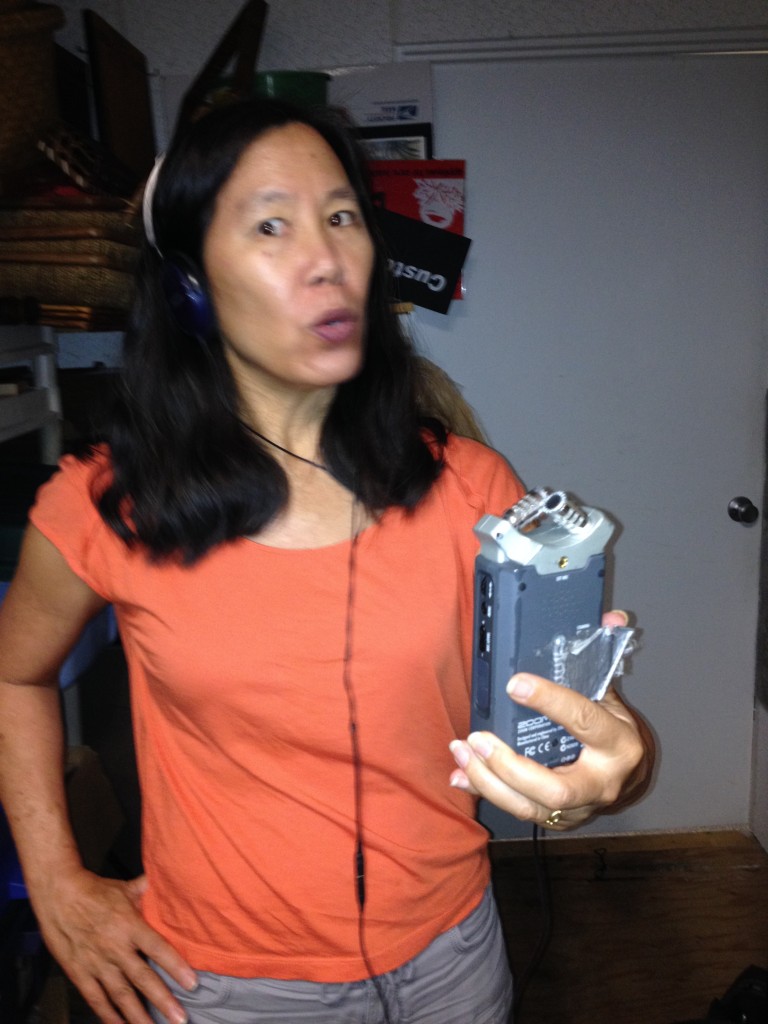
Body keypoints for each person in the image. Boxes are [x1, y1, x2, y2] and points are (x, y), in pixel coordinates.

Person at [0, 98, 653, 1024]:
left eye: (342, 216)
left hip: (455, 963)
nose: (327, 258)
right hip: (224, 990)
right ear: (190, 284)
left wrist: (599, 775)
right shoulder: (106, 505)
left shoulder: (473, 488)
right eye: (271, 224)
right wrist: (57, 881)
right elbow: (12, 675)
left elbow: (573, 715)